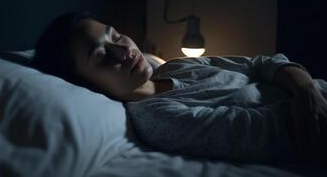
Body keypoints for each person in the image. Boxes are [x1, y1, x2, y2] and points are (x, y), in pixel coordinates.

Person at [33, 11, 327, 163]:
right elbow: (255, 134)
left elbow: (260, 63)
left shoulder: (176, 65)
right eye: (100, 55)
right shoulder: (157, 117)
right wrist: (308, 106)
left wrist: (305, 88)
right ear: (88, 86)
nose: (124, 51)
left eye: (116, 35)